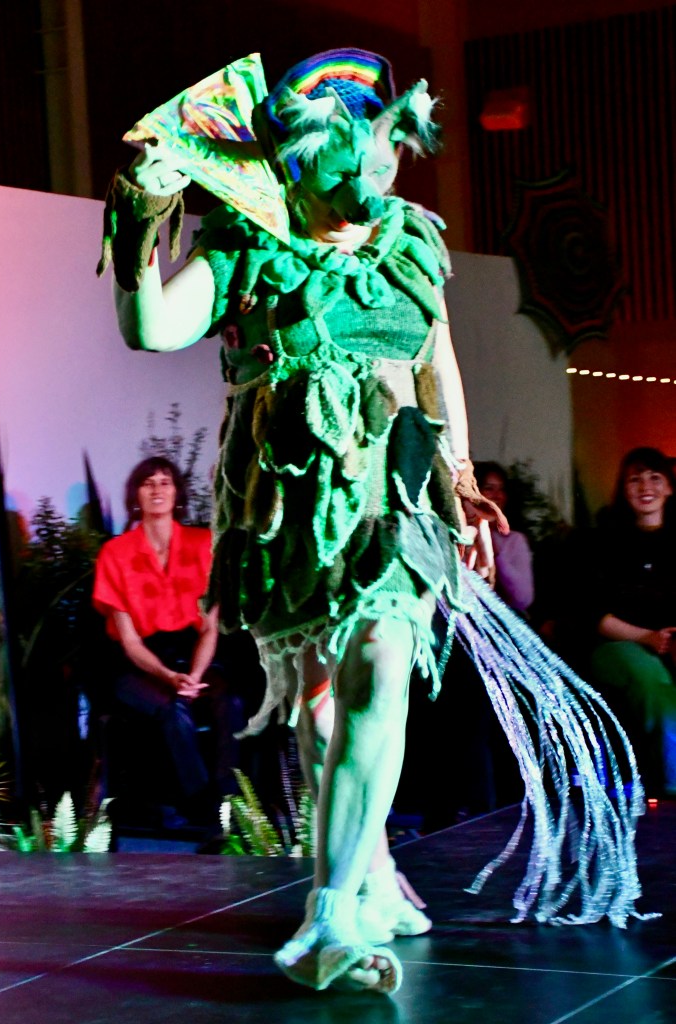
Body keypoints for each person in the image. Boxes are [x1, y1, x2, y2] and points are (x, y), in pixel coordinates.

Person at [98, 48, 647, 993]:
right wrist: (146, 206)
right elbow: (151, 327)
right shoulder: (250, 242)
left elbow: (437, 362)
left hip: (391, 500)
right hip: (289, 507)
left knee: (383, 670)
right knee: (321, 707)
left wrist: (462, 479)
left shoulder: (407, 244)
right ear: (300, 163)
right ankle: (369, 873)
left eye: (380, 161)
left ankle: (333, 909)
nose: (367, 186)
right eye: (343, 166)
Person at [93, 456, 242, 827]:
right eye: (148, 483)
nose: (157, 489)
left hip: (195, 654)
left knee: (230, 703)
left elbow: (210, 627)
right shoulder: (115, 553)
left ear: (177, 493)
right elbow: (129, 643)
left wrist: (194, 675)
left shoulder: (204, 544)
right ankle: (204, 809)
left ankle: (231, 803)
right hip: (140, 662)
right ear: (136, 495)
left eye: (165, 482)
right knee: (173, 710)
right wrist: (168, 677)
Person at [590, 447, 676, 797]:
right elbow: (593, 614)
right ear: (623, 489)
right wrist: (647, 637)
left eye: (655, 478)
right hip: (618, 643)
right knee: (651, 679)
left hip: (669, 640)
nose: (645, 487)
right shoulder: (605, 541)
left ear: (669, 486)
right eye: (635, 479)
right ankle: (672, 780)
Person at [472, 461, 534, 615]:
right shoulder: (463, 535)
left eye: (501, 489)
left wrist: (496, 552)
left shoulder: (514, 541)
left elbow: (523, 598)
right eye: (489, 488)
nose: (497, 496)